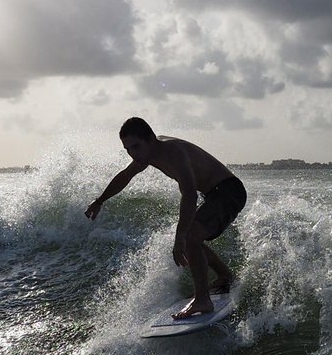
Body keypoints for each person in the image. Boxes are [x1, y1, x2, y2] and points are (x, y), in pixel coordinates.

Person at [85, 117, 247, 319]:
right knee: (191, 238)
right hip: (214, 194)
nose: (133, 154)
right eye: (128, 149)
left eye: (136, 147)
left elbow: (189, 194)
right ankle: (224, 276)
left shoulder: (173, 152)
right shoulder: (147, 155)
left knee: (189, 237)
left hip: (228, 192)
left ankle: (203, 300)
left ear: (151, 139)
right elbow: (125, 176)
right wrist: (100, 201)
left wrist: (180, 237)